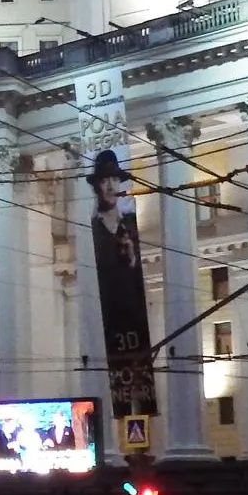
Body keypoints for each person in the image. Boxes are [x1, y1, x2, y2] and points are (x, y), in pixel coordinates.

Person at [86, 150, 154, 413]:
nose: (111, 185)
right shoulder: (94, 228)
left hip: (136, 320)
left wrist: (134, 259)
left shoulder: (130, 226)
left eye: (115, 179)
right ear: (97, 186)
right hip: (109, 322)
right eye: (105, 180)